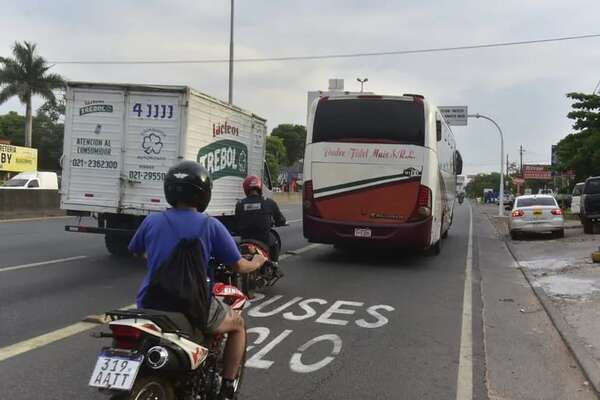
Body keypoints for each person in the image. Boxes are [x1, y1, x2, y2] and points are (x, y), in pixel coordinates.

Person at [129, 161, 266, 400]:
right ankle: (227, 387)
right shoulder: (210, 225)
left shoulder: (151, 221)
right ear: (203, 194)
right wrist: (258, 262)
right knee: (238, 325)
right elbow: (239, 265)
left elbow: (137, 250)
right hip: (190, 305)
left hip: (148, 303)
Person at [235, 175, 286, 261]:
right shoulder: (269, 202)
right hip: (263, 241)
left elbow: (237, 221)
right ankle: (274, 265)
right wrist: (280, 222)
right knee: (275, 243)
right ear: (259, 187)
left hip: (245, 241)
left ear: (245, 189)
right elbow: (280, 219)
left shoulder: (239, 204)